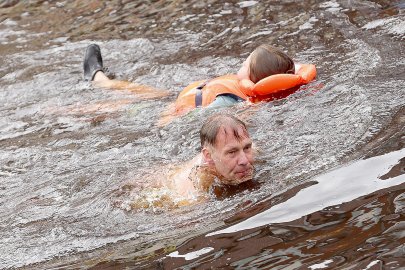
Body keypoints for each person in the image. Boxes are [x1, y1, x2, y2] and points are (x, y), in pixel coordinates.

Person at [83, 44, 316, 122]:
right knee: (151, 92)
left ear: (252, 75)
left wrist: (171, 115)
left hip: (170, 110)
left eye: (245, 62)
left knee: (121, 107)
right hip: (181, 97)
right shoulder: (248, 92)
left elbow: (201, 117)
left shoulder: (231, 100)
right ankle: (99, 78)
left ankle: (66, 109)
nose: (241, 64)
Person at [165, 113, 255, 199]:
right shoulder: (193, 186)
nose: (244, 161)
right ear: (209, 156)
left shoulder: (248, 147)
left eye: (246, 148)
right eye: (232, 152)